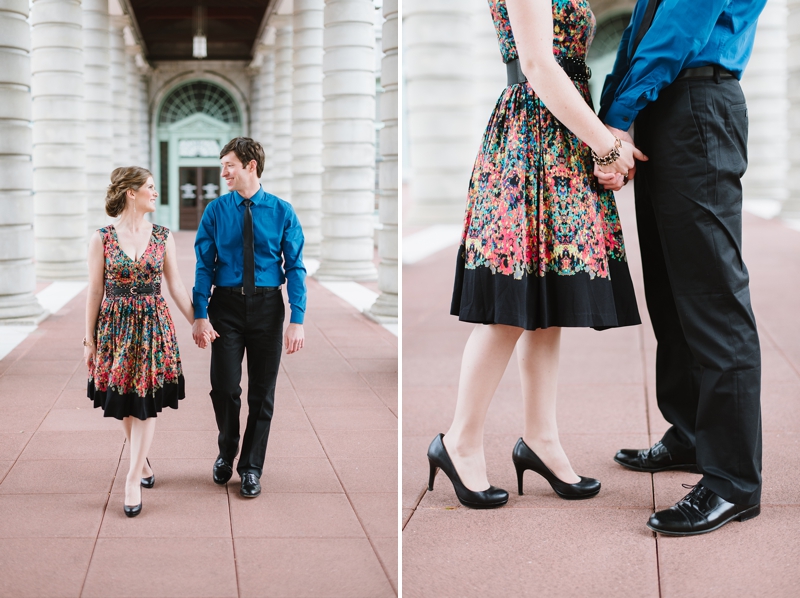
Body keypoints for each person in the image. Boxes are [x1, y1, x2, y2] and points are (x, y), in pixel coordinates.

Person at [427, 0, 644, 509]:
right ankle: (458, 441)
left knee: (547, 307)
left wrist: (597, 137)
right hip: (530, 136)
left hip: (558, 135)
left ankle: (540, 441)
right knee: (508, 306)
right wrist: (605, 146)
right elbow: (538, 64)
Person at [597, 0, 767, 536]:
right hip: (668, 104)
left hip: (696, 102)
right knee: (671, 292)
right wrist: (618, 114)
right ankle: (691, 433)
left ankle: (733, 481)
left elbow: (679, 24)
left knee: (713, 299)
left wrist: (617, 116)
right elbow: (642, 29)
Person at [192, 137, 306, 499]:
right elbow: (203, 266)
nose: (223, 172)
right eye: (223, 165)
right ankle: (227, 452)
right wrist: (200, 313)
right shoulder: (215, 211)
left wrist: (297, 319)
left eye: (229, 165)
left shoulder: (282, 211)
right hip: (225, 308)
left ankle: (252, 467)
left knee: (262, 394)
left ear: (250, 166)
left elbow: (296, 267)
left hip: (268, 309)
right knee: (224, 388)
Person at [85, 167, 198, 517]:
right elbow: (95, 290)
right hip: (115, 328)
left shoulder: (163, 235)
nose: (156, 192)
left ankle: (133, 478)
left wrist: (199, 321)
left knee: (145, 400)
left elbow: (176, 284)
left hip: (153, 326)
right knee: (123, 399)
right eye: (150, 187)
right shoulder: (101, 238)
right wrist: (88, 339)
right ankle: (143, 465)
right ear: (131, 193)